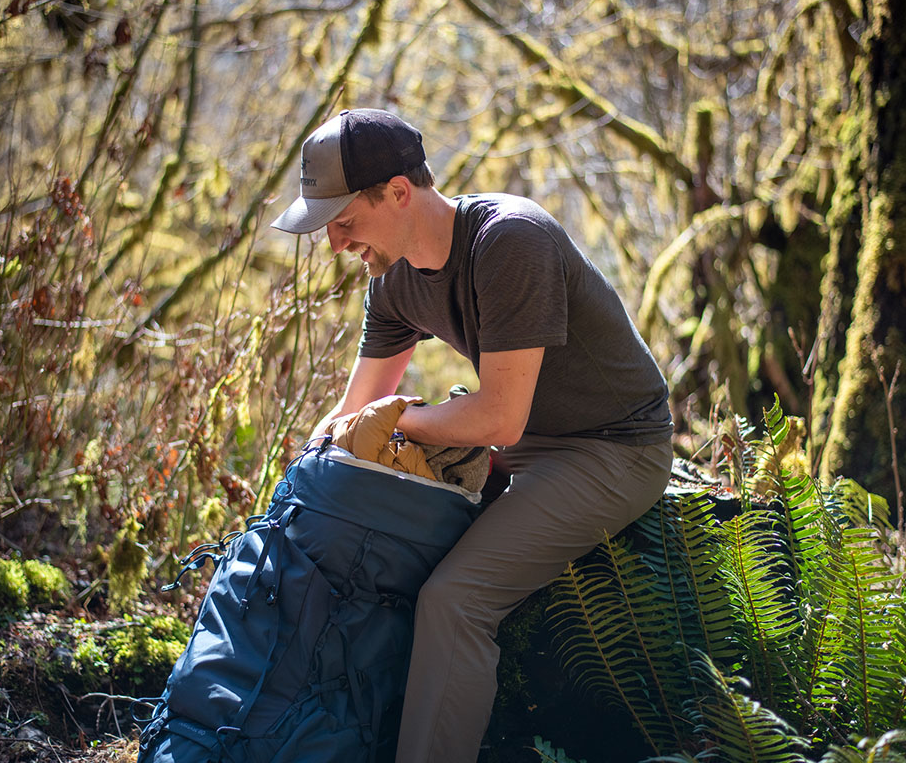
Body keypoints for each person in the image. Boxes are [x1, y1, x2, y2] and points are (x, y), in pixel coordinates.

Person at [271, 108, 673, 763]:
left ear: (400, 192)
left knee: (455, 601)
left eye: (344, 221)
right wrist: (295, 494)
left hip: (614, 446)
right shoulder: (392, 279)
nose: (335, 242)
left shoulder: (510, 241)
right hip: (522, 440)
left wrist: (394, 423)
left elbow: (495, 419)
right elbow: (356, 410)